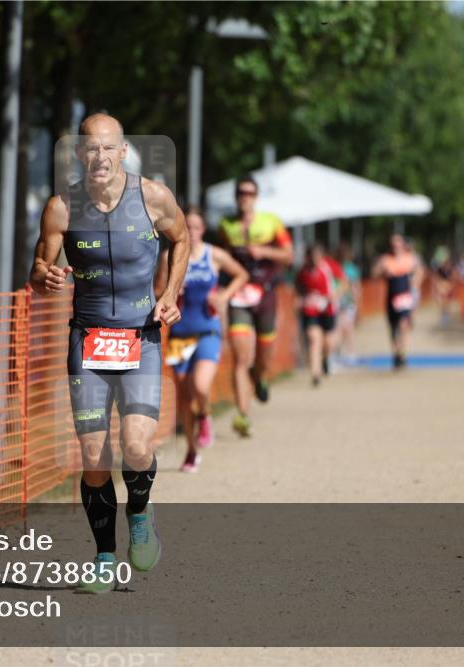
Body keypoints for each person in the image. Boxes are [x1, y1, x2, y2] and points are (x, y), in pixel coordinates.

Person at [30, 113, 189, 594]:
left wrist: (171, 293)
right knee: (93, 455)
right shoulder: (61, 208)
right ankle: (103, 557)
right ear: (80, 154)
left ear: (123, 151)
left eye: (108, 148)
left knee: (137, 446)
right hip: (88, 341)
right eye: (91, 148)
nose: (99, 157)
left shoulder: (154, 197)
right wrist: (44, 276)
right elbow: (37, 271)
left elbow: (182, 239)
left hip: (141, 337)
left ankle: (139, 512)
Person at [158, 206, 248, 473]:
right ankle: (191, 450)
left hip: (208, 330)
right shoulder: (168, 257)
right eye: (187, 226)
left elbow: (242, 274)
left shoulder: (214, 254)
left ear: (203, 230)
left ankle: (205, 416)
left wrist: (223, 296)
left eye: (196, 227)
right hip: (180, 334)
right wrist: (171, 291)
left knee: (200, 384)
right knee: (184, 396)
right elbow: (158, 290)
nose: (192, 231)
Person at [219, 176, 293, 437]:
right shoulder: (226, 225)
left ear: (256, 197)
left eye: (250, 193)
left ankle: (260, 376)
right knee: (241, 358)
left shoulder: (271, 222)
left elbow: (289, 255)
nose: (245, 197)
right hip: (239, 296)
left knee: (264, 356)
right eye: (241, 192)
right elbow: (222, 257)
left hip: (266, 295)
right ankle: (243, 415)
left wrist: (265, 252)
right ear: (236, 196)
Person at [372, 234, 424, 369]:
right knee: (393, 327)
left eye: (398, 244)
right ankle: (396, 353)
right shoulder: (385, 259)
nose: (395, 247)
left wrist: (415, 283)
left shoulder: (410, 258)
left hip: (405, 296)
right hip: (391, 297)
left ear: (402, 245)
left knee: (404, 324)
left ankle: (402, 352)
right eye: (393, 244)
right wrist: (382, 272)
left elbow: (420, 271)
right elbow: (374, 273)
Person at [296, 244, 344, 386]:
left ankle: (325, 359)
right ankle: (315, 374)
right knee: (314, 338)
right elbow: (298, 285)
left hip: (328, 308)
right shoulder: (303, 270)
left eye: (317, 257)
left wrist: (336, 294)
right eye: (311, 257)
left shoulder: (330, 266)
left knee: (328, 343)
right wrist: (302, 297)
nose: (314, 260)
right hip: (311, 309)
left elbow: (344, 282)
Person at [334, 244, 362, 364]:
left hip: (346, 302)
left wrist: (356, 302)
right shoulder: (336, 267)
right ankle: (340, 352)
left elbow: (355, 287)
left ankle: (347, 352)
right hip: (339, 301)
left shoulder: (350, 269)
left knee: (346, 327)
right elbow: (356, 288)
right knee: (342, 327)